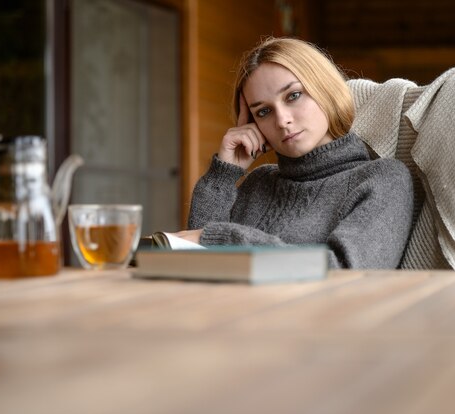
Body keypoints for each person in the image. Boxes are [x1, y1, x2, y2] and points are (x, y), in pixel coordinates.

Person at [174, 37, 414, 269]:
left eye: (293, 96)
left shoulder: (383, 179)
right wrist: (223, 175)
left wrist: (226, 239)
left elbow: (347, 270)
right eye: (263, 111)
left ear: (324, 89)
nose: (282, 120)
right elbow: (198, 262)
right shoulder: (258, 183)